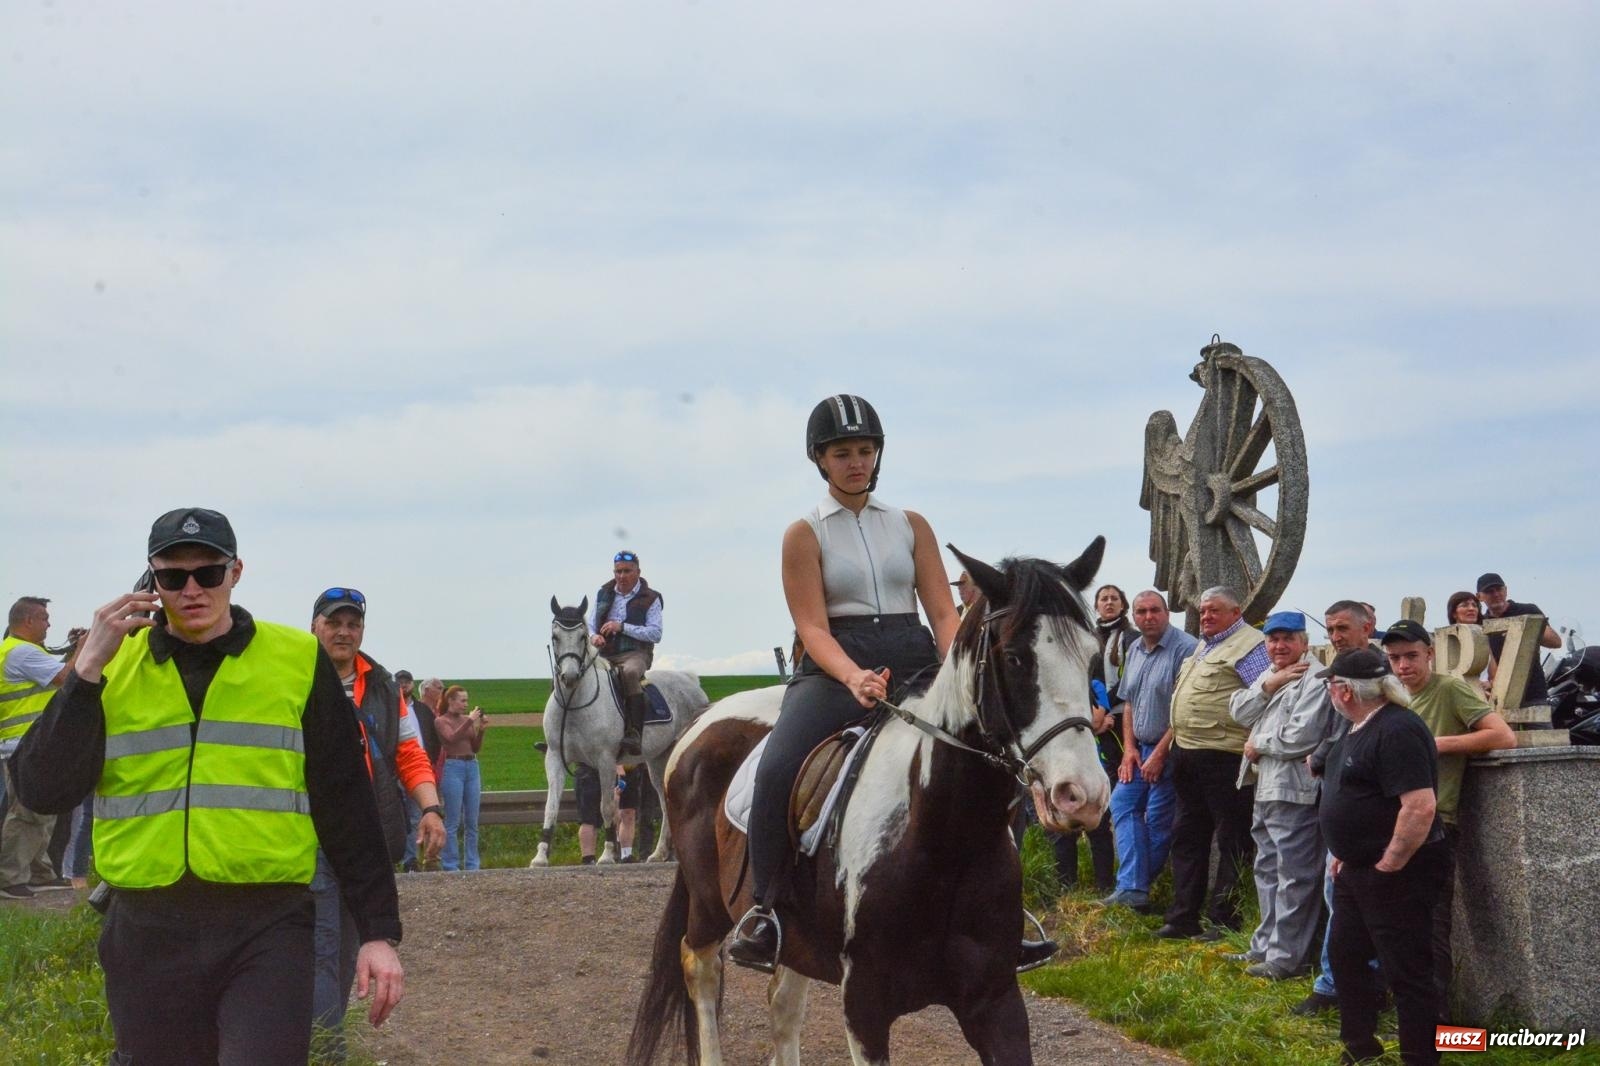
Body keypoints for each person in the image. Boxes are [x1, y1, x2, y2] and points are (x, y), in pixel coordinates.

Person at [9, 507, 403, 1063]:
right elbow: (40, 787)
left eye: (208, 574)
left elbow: (346, 801)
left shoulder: (294, 659)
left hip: (267, 927)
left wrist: (378, 931)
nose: (191, 589)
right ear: (151, 580)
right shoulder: (112, 666)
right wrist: (86, 669)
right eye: (173, 576)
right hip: (146, 931)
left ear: (235, 572)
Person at [730, 393, 984, 973]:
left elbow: (944, 614)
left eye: (865, 451)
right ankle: (766, 911)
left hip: (915, 659)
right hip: (832, 667)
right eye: (842, 452)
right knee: (775, 769)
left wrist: (957, 672)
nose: (856, 462)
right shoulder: (804, 533)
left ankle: (999, 907)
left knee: (984, 754)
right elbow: (812, 625)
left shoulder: (911, 525)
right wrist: (852, 676)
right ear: (820, 460)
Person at [309, 588, 445, 1057]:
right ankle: (326, 1052)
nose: (344, 632)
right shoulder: (293, 677)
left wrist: (430, 808)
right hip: (312, 835)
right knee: (325, 951)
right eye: (334, 622)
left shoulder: (385, 687)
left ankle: (316, 1043)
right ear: (315, 626)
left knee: (347, 949)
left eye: (353, 624)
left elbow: (410, 753)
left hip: (365, 841)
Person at [1318, 648, 1448, 1066]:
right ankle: (1359, 1049)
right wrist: (1344, 853)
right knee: (1346, 956)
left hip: (1398, 870)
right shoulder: (1358, 728)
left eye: (1330, 686)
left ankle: (1420, 1058)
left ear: (1345, 691)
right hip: (1357, 869)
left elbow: (1419, 806)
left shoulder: (1398, 729)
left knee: (1406, 970)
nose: (1329, 693)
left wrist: (1390, 862)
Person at [1381, 619, 1514, 1017]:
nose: (1403, 666)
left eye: (1411, 656)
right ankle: (1409, 1018)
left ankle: (1439, 1029)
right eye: (1394, 658)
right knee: (1398, 930)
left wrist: (1437, 744)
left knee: (1429, 929)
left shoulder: (1449, 688)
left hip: (1435, 825)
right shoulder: (1392, 697)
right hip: (1392, 827)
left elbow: (1502, 736)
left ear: (1430, 654)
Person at [1226, 611, 1338, 979]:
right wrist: (1268, 686)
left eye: (1288, 638)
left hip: (1295, 790)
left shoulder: (1316, 679)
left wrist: (1259, 743)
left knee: (1294, 875)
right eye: (1272, 639)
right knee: (1267, 869)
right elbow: (1238, 711)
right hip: (1264, 787)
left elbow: (1301, 736)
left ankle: (1286, 959)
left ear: (1304, 642)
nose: (1279, 645)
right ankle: (1264, 947)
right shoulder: (1270, 674)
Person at [1154, 585, 1268, 940]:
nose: (1206, 616)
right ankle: (1183, 916)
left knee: (1232, 839)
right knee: (1187, 835)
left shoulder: (1251, 646)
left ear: (1236, 613)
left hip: (1226, 756)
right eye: (1203, 611)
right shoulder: (1205, 645)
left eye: (1214, 610)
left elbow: (1263, 697)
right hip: (1187, 752)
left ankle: (1225, 919)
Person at [1296, 599, 1382, 1016]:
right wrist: (1324, 755)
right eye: (1330, 630)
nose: (1335, 637)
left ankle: (1350, 987)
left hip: (1372, 819)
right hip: (1340, 810)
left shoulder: (1375, 674)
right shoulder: (1338, 672)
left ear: (1369, 627)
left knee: (1360, 904)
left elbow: (1365, 729)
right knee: (1340, 900)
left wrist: (1327, 755)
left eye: (1343, 628)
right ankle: (1343, 986)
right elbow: (1340, 730)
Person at [1100, 590, 1197, 910]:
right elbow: (1128, 702)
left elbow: (1187, 708)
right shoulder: (1136, 649)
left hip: (1171, 750)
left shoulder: (1186, 649)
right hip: (1139, 748)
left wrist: (1159, 754)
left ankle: (1133, 888)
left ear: (1167, 613)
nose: (1148, 617)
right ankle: (1134, 887)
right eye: (1141, 611)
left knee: (1157, 821)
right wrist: (1129, 749)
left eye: (1154, 610)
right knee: (1122, 804)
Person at [1, 597, 85, 899]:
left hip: (29, 744)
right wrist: (82, 648)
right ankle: (10, 877)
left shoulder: (17, 651)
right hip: (25, 745)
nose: (49, 625)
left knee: (41, 811)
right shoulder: (22, 653)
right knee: (27, 813)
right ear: (29, 621)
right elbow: (66, 678)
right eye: (45, 618)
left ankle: (38, 872)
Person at [1052, 584, 1133, 892]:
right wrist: (1089, 715)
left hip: (1113, 727)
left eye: (1114, 598)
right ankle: (1066, 886)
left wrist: (1103, 710)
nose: (1109, 602)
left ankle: (1104, 883)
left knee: (1101, 805)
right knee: (1064, 805)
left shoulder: (1130, 637)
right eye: (1103, 598)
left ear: (1122, 605)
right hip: (1077, 725)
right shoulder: (1082, 638)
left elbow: (1124, 680)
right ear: (1096, 605)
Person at [1476, 572, 1561, 713]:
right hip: (1499, 695)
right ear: (1480, 597)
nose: (1496, 594)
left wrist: (1524, 631)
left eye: (1499, 589)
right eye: (1490, 591)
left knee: (1541, 732)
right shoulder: (1480, 624)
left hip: (1533, 691)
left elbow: (1555, 642)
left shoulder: (1527, 610)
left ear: (1506, 590)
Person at [434, 684, 487, 870]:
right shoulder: (441, 721)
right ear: (451, 701)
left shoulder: (467, 720)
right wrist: (469, 721)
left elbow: (475, 747)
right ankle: (451, 865)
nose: (466, 704)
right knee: (452, 821)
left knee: (472, 822)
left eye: (467, 700)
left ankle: (473, 864)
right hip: (453, 767)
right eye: (462, 700)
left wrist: (481, 729)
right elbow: (451, 739)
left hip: (472, 766)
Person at [403, 676, 445, 871]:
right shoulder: (391, 708)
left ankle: (412, 861)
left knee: (414, 816)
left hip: (419, 770)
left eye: (407, 681)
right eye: (400, 681)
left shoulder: (422, 711)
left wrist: (428, 763)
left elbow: (434, 741)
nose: (403, 685)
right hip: (396, 771)